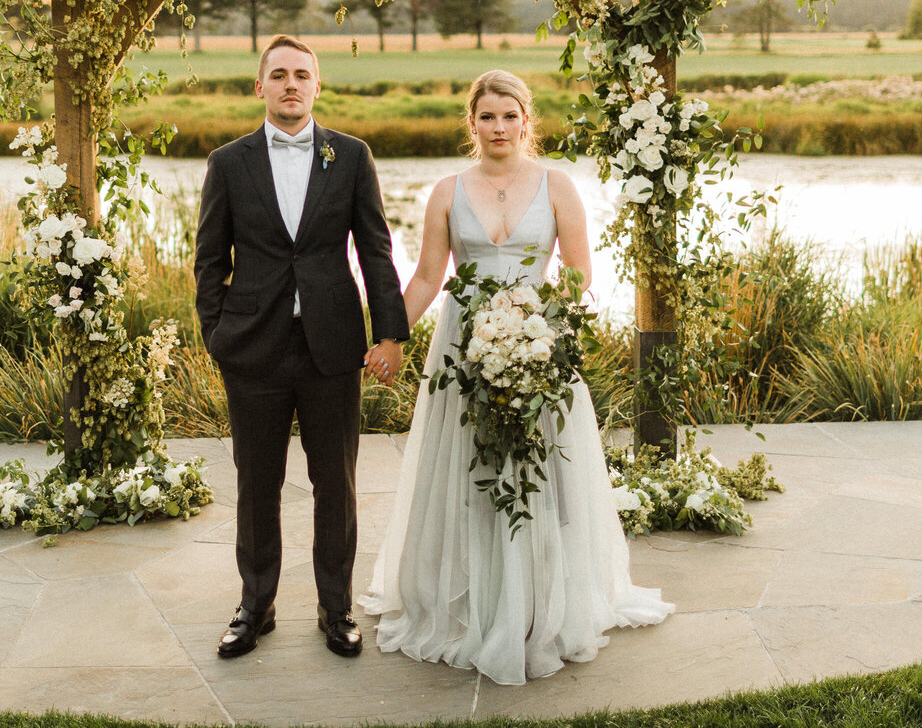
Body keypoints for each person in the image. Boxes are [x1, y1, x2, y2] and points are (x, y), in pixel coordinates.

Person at [361, 69, 674, 684]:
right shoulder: (447, 192)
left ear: (526, 121)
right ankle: (470, 600)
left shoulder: (557, 186)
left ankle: (537, 601)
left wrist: (540, 320)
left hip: (538, 341)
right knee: (468, 467)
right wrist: (390, 337)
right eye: (487, 117)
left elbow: (580, 272)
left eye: (510, 116)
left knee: (542, 470)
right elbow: (427, 276)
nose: (498, 128)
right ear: (471, 124)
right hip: (465, 346)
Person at [194, 34, 409, 660]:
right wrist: (218, 335)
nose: (291, 84)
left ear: (318, 86)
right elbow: (209, 260)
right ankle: (255, 607)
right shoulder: (228, 162)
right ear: (259, 86)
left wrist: (389, 333)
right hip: (253, 347)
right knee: (257, 484)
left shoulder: (351, 156)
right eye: (279, 75)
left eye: (302, 75)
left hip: (332, 348)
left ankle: (335, 607)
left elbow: (375, 249)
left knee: (334, 485)